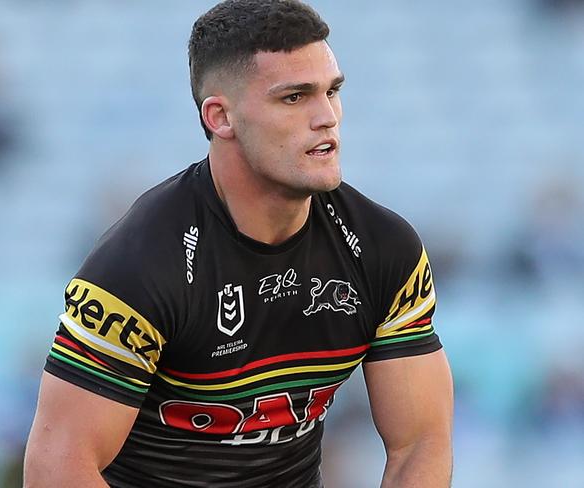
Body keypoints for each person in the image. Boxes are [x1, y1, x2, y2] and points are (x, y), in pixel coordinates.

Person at [23, 1, 454, 486]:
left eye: (332, 91)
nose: (327, 117)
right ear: (220, 117)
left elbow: (421, 441)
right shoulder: (139, 267)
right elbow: (56, 468)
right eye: (294, 97)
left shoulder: (383, 249)